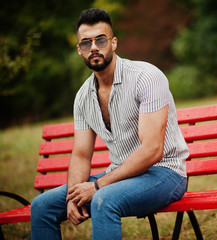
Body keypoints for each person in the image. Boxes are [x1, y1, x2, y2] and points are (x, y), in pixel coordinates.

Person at [30, 8, 189, 239]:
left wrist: (97, 186)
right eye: (86, 43)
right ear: (79, 50)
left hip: (165, 173)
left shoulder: (146, 77)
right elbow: (81, 155)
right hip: (120, 176)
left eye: (100, 40)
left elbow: (153, 150)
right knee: (41, 206)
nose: (93, 47)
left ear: (113, 43)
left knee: (104, 200)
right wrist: (71, 198)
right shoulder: (83, 97)